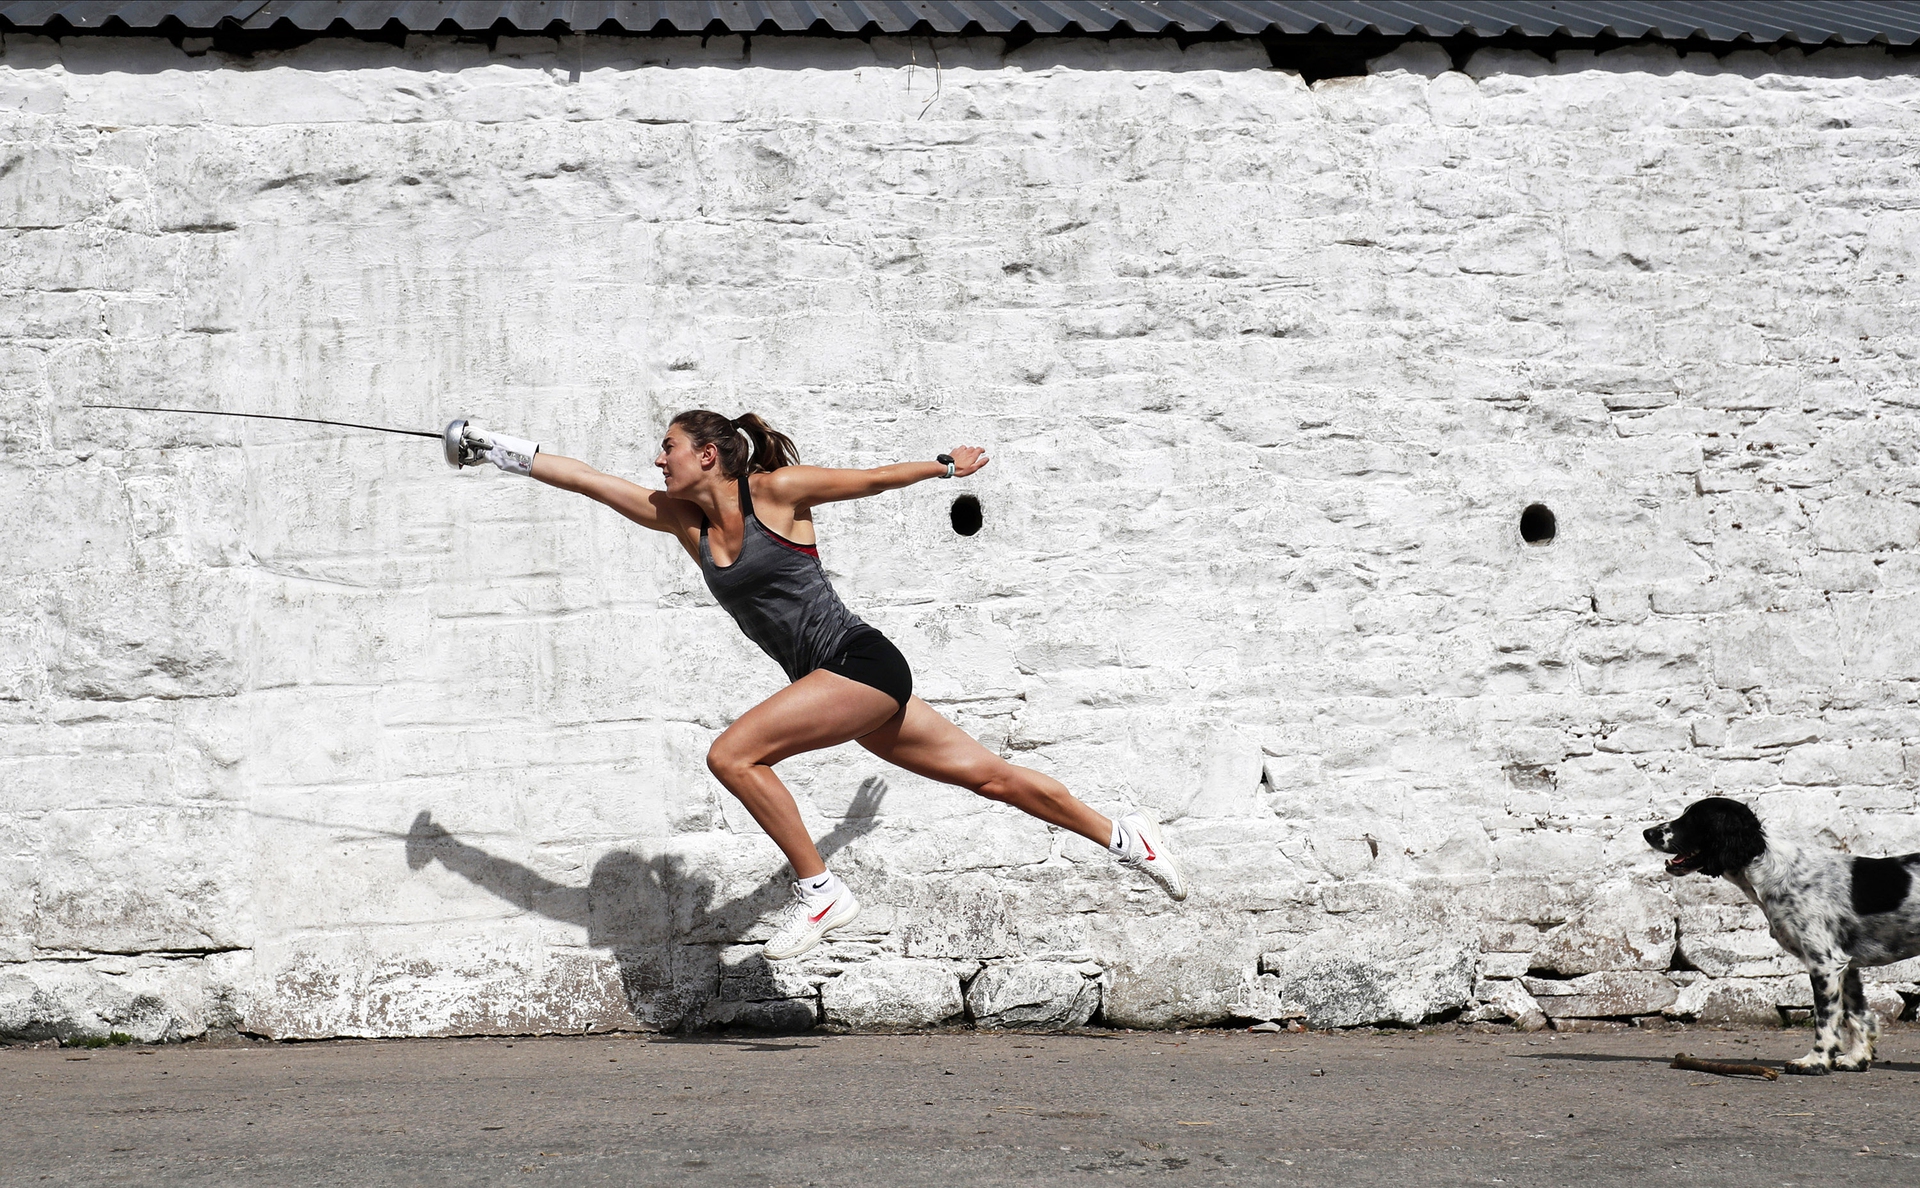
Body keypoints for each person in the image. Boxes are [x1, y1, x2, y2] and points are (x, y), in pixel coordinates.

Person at [458, 412, 1185, 960]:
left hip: (861, 664)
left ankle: (821, 890)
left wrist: (944, 466)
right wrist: (489, 446)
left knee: (733, 756)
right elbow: (586, 479)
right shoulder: (684, 523)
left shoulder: (776, 492)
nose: (658, 458)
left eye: (669, 446)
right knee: (990, 779)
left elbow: (867, 481)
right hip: (836, 684)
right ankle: (1125, 836)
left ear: (707, 455)